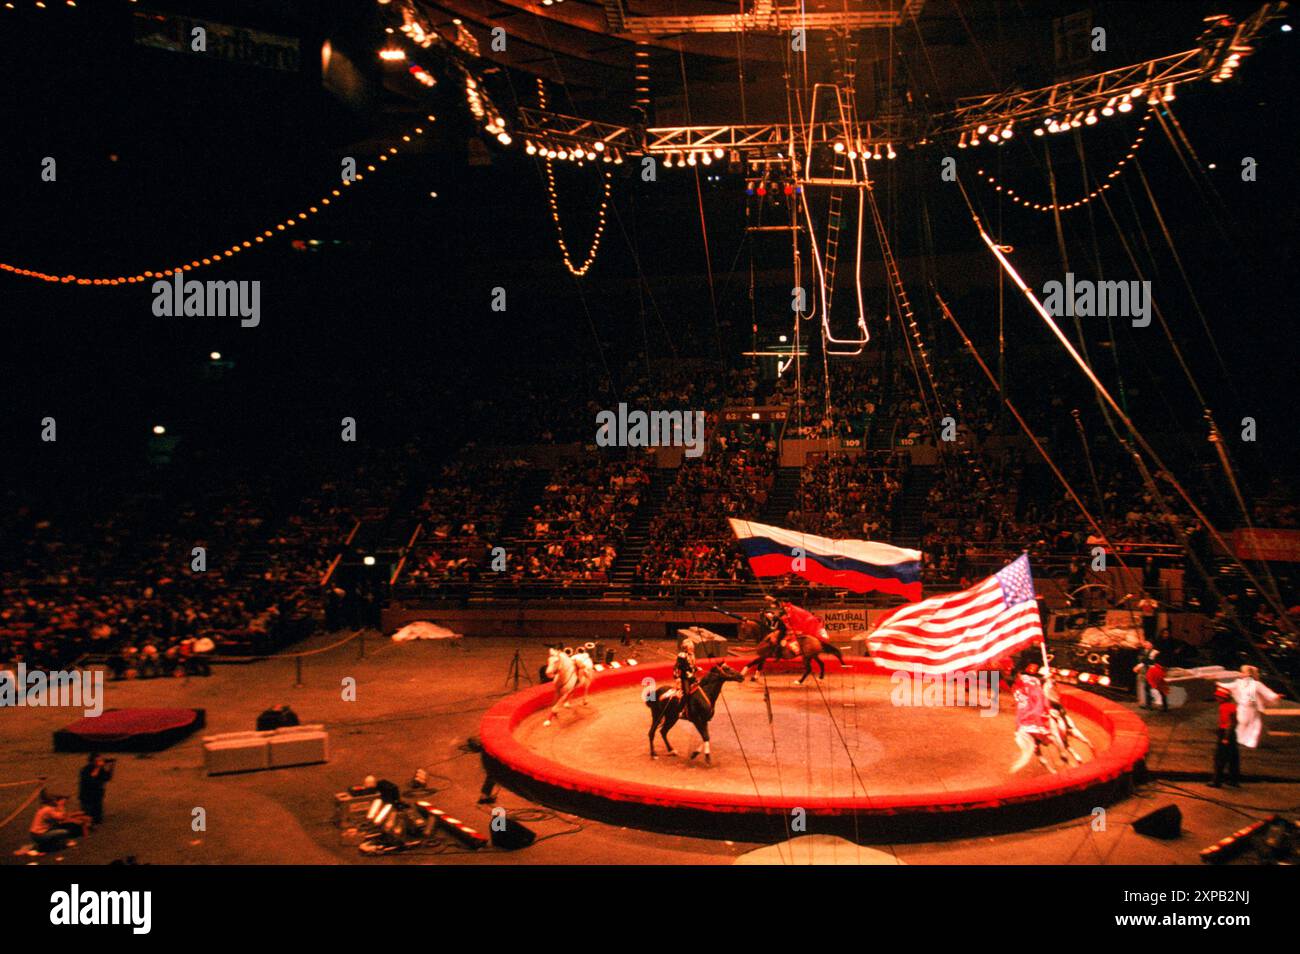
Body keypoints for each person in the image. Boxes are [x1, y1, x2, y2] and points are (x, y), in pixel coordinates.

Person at [1220, 665, 1282, 750]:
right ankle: (1247, 742)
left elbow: (1266, 692)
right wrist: (1275, 696)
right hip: (1247, 708)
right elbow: (1268, 694)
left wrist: (1274, 696)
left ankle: (1243, 741)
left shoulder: (1242, 683)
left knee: (1246, 724)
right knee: (1251, 725)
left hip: (1247, 707)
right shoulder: (1249, 684)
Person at [1211, 685, 1240, 788]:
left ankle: (1217, 781)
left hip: (1226, 734)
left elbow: (1229, 724)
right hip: (1233, 734)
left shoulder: (1224, 707)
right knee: (1233, 758)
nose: (1217, 698)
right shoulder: (1233, 706)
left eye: (1219, 697)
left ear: (1223, 698)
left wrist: (1225, 738)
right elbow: (1234, 722)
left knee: (1220, 758)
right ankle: (1234, 780)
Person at [78, 753, 115, 826]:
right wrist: (98, 767)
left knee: (97, 816)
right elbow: (90, 778)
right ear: (93, 761)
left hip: (97, 794)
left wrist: (111, 767)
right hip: (87, 795)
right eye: (98, 760)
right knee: (87, 814)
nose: (101, 761)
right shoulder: (86, 769)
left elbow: (107, 778)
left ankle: (95, 823)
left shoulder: (101, 769)